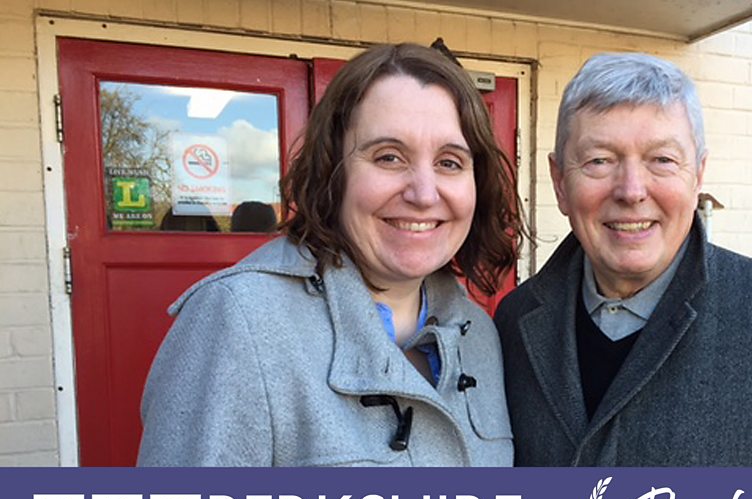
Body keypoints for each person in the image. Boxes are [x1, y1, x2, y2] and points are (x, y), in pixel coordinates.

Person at [138, 43, 522, 466]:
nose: (424, 194)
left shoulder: (479, 333)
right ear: (331, 172)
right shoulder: (239, 322)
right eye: (389, 157)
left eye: (449, 162)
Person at [494, 53, 752, 466]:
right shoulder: (513, 323)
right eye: (599, 160)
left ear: (698, 176)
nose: (632, 191)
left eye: (662, 160)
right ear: (559, 182)